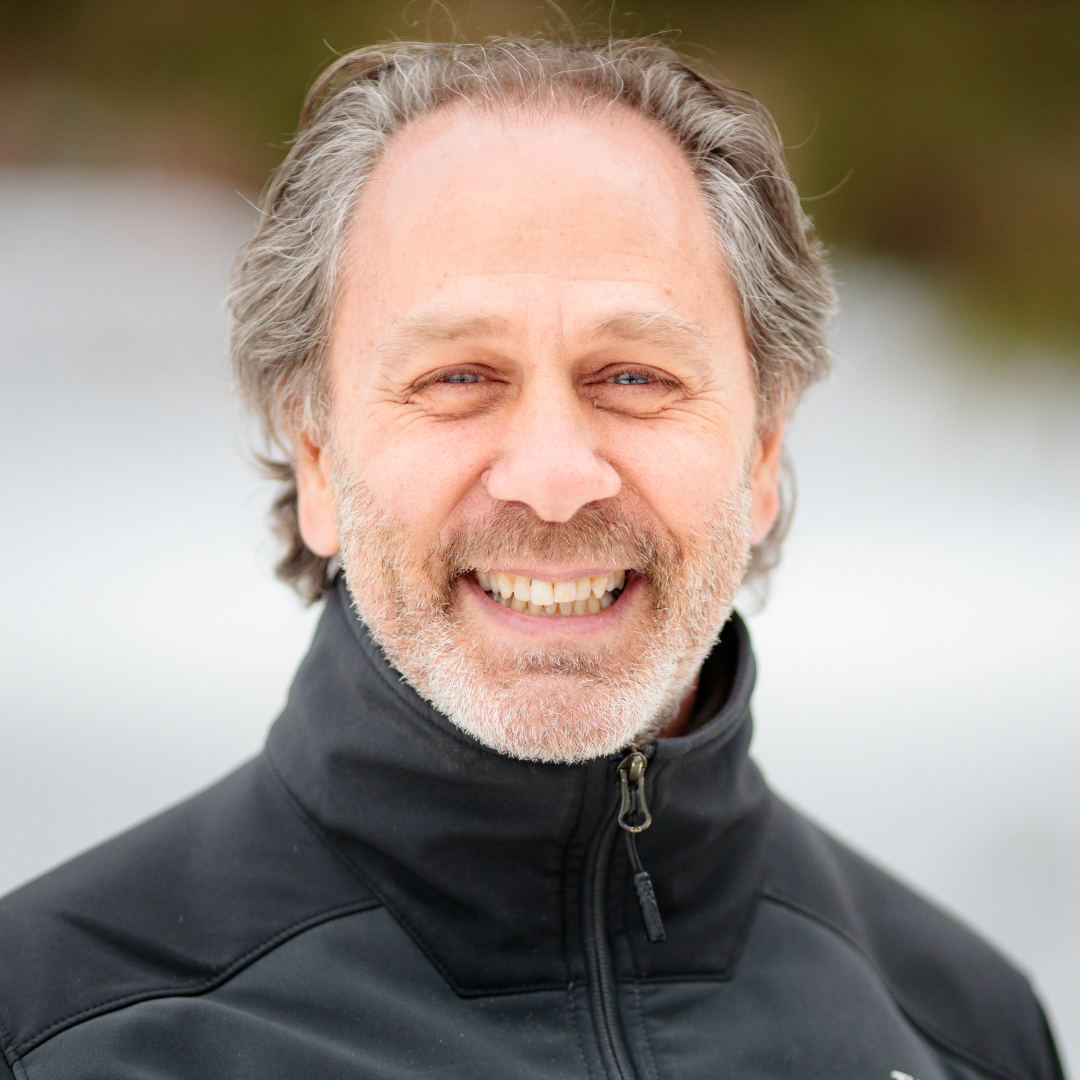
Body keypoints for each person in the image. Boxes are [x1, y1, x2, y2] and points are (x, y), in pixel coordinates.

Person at [0, 39, 1065, 1080]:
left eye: (635, 377)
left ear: (761, 455)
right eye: (459, 377)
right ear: (317, 459)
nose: (555, 477)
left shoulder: (961, 1029)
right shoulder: (57, 1030)